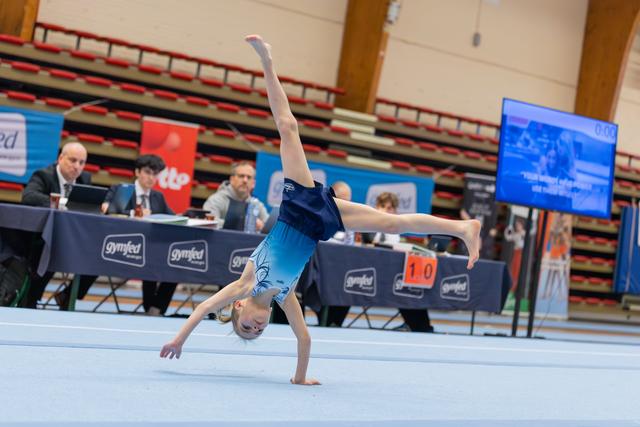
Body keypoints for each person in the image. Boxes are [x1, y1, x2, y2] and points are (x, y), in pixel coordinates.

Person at [160, 35, 480, 385]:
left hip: (298, 208)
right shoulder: (285, 296)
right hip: (320, 224)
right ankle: (462, 228)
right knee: (393, 222)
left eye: (247, 326)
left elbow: (203, 307)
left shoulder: (245, 284)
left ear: (238, 308)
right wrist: (299, 378)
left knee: (288, 127)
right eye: (258, 332)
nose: (256, 326)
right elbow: (304, 338)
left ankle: (267, 60)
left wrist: (179, 339)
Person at [21, 142, 97, 309]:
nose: (77, 167)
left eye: (82, 162)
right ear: (60, 158)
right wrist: (61, 202)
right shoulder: (44, 175)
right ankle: (30, 298)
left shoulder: (85, 179)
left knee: (100, 253)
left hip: (74, 236)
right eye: (73, 160)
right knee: (51, 248)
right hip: (44, 237)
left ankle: (67, 296)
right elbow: (29, 196)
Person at [103, 154, 177, 316]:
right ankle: (70, 295)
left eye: (155, 174)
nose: (151, 177)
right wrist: (135, 213)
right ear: (137, 172)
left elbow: (172, 218)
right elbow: (110, 211)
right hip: (122, 249)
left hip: (152, 252)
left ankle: (155, 309)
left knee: (177, 262)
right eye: (148, 172)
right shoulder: (122, 190)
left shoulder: (158, 197)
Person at [202, 161, 268, 231]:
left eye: (249, 177)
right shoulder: (216, 200)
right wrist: (243, 224)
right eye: (241, 176)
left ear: (253, 183)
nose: (245, 180)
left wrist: (262, 227)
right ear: (232, 179)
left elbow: (270, 227)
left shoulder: (256, 204)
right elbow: (209, 223)